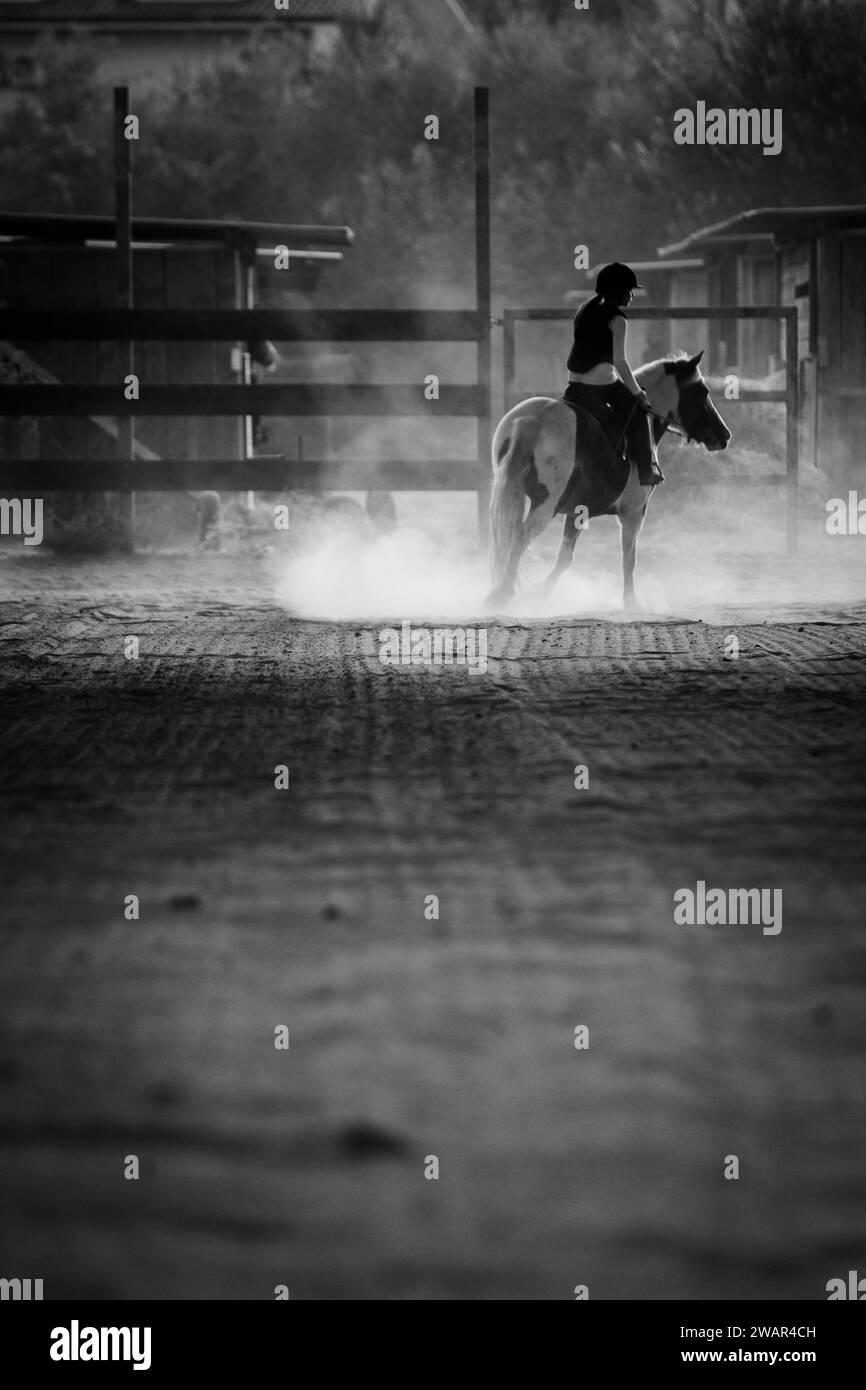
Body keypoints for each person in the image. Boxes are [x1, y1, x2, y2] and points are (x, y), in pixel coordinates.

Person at [564, 262, 664, 486]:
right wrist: (638, 394)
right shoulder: (618, 319)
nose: (631, 296)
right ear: (617, 292)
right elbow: (620, 361)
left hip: (573, 383)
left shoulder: (584, 309)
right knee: (639, 415)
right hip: (600, 385)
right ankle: (647, 472)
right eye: (629, 291)